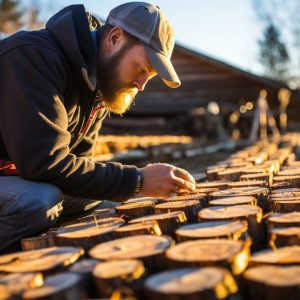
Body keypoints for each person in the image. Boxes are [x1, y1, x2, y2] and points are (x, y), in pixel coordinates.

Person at [0, 2, 195, 253]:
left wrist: (128, 183)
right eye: (141, 69)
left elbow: (80, 162)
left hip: (14, 175)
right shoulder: (33, 57)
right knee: (39, 202)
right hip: (26, 175)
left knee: (94, 194)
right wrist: (137, 180)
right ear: (115, 38)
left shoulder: (97, 87)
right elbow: (44, 163)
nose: (142, 84)